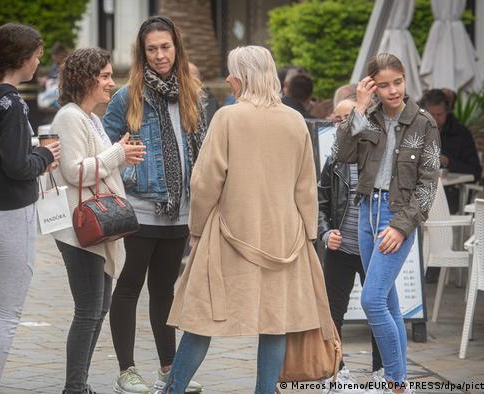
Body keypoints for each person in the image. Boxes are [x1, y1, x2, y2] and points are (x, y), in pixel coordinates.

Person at [162, 45, 336, 394]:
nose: (227, 78)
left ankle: (173, 389)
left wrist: (196, 230)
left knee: (201, 318)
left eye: (232, 72)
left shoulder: (228, 117)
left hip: (229, 233)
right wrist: (308, 237)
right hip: (285, 238)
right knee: (276, 322)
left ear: (243, 77)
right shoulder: (295, 120)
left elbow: (205, 181)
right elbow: (306, 187)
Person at [102, 16, 207, 394]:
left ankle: (168, 369)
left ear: (176, 47)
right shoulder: (126, 97)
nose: (160, 55)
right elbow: (104, 151)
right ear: (142, 54)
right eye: (152, 49)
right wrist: (123, 158)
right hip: (139, 208)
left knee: (165, 291)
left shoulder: (193, 94)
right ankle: (127, 370)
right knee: (129, 286)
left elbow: (204, 151)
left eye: (165, 47)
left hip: (180, 210)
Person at [0, 23, 60, 394]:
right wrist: (44, 154)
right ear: (21, 58)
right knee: (4, 315)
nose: (38, 61)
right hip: (8, 215)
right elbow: (17, 166)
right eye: (36, 54)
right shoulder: (13, 103)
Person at [336, 53, 440, 393]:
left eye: (397, 82)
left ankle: (396, 382)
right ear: (372, 87)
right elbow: (343, 153)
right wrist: (358, 109)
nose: (393, 90)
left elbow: (428, 186)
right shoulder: (369, 117)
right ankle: (397, 380)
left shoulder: (424, 123)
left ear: (405, 79)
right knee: (389, 303)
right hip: (365, 213)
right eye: (383, 85)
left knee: (372, 299)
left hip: (397, 217)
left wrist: (401, 225)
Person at [49, 47, 146, 394]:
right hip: (81, 229)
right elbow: (73, 171)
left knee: (98, 308)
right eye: (104, 76)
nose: (111, 83)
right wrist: (118, 154)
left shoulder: (89, 118)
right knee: (89, 310)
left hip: (97, 224)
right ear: (86, 79)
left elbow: (100, 162)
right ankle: (74, 387)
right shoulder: (70, 118)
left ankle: (79, 384)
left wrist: (120, 155)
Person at [319, 98, 383, 393]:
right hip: (341, 249)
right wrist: (325, 233)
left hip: (376, 250)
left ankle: (383, 372)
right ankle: (338, 372)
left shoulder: (380, 155)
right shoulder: (333, 161)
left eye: (350, 118)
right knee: (333, 313)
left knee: (379, 311)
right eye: (339, 119)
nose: (345, 125)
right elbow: (319, 203)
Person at [420, 89, 481, 213]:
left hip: (451, 196)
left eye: (439, 115)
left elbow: (475, 172)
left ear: (447, 112)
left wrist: (448, 162)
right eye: (431, 115)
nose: (435, 119)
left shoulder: (461, 134)